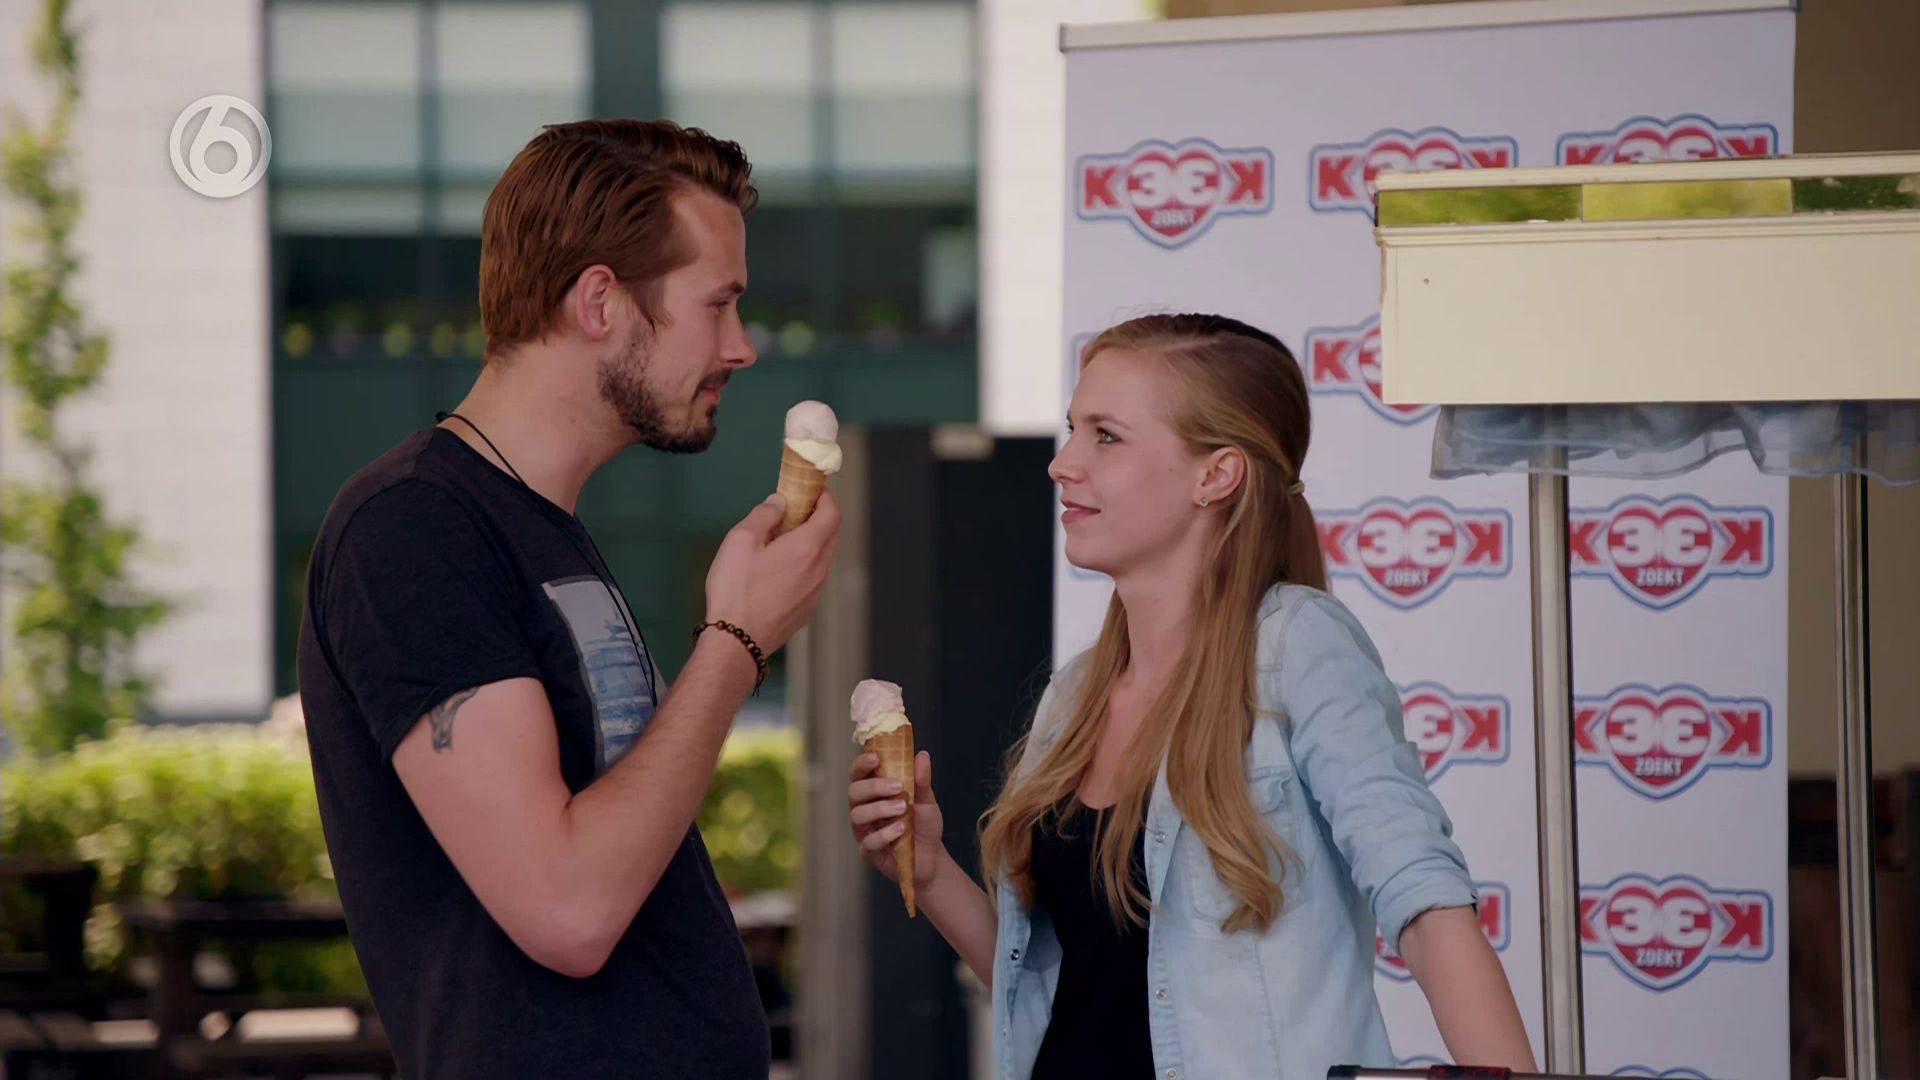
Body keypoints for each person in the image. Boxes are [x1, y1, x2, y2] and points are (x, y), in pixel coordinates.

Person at [847, 313, 1534, 1080]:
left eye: (1106, 436)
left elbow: (1426, 903)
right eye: (1073, 430)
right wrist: (930, 869)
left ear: (1217, 475)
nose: (1063, 464)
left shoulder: (1297, 646)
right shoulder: (1072, 697)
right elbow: (1063, 993)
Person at [296, 119, 839, 1079]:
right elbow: (567, 909)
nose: (742, 347)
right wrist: (737, 642)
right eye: (718, 305)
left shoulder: (536, 526)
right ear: (600, 302)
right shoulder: (412, 527)